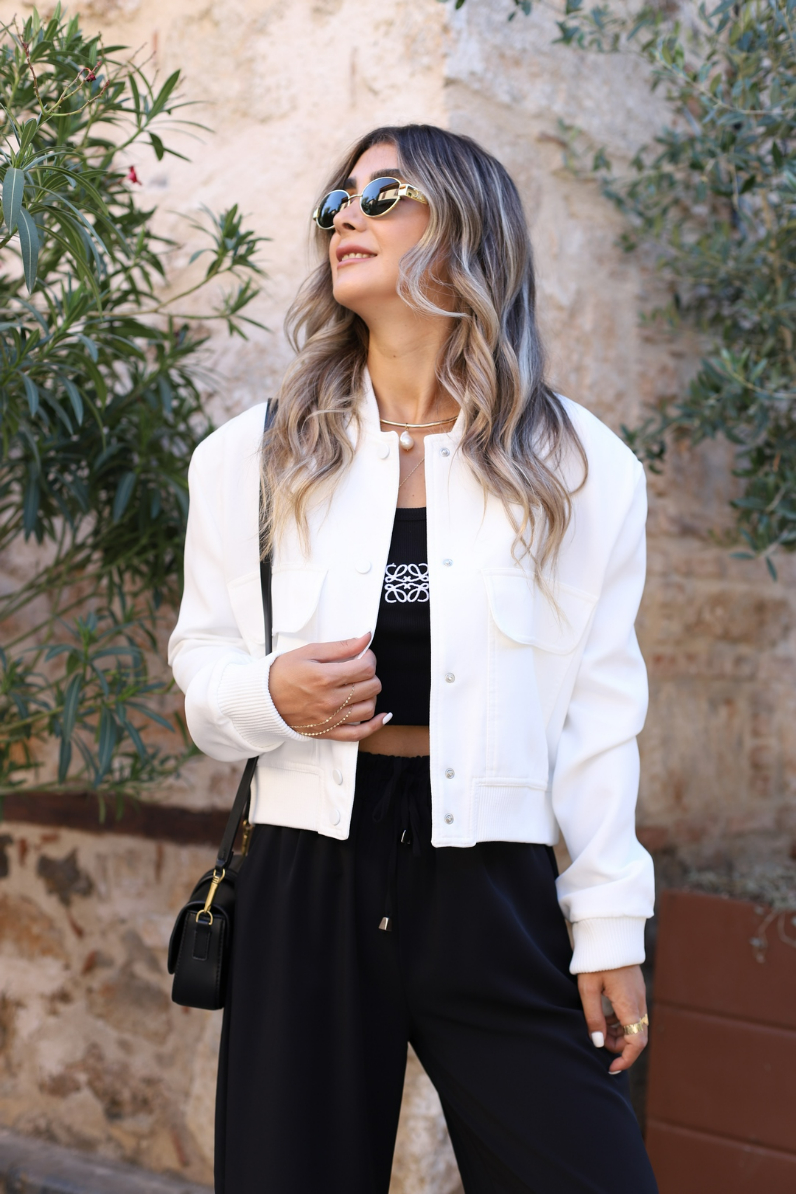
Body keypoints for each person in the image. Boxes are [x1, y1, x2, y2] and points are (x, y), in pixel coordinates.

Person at [168, 123, 658, 1194]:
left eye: (384, 195)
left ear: (468, 228)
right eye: (336, 201)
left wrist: (610, 925)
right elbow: (201, 671)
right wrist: (271, 693)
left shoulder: (581, 467)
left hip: (495, 880)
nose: (346, 216)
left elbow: (598, 715)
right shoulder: (250, 457)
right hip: (306, 869)